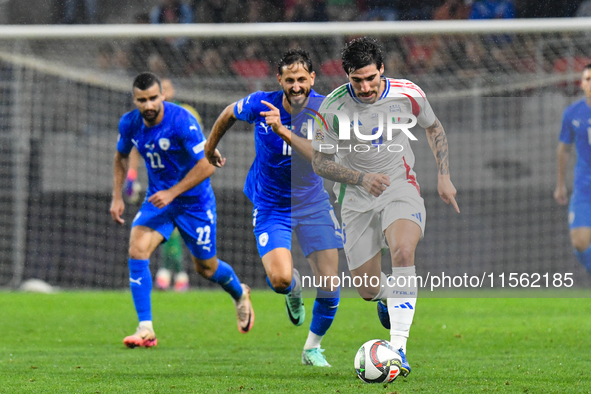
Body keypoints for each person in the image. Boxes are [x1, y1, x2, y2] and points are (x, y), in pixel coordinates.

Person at [311, 37, 460, 377]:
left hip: (400, 187)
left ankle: (399, 349)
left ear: (382, 70)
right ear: (347, 75)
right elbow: (320, 162)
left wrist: (444, 175)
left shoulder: (408, 93)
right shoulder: (331, 108)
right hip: (355, 199)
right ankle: (387, 298)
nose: (364, 87)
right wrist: (360, 178)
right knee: (366, 289)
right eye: (356, 80)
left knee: (403, 252)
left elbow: (433, 128)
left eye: (370, 78)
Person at [204, 49, 343, 367]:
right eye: (290, 79)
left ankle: (312, 348)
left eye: (302, 79)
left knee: (329, 282)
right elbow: (228, 114)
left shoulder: (325, 109)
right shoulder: (259, 103)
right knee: (280, 280)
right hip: (271, 205)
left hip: (312, 203)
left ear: (313, 79)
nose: (296, 86)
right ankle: (293, 290)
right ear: (280, 79)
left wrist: (283, 130)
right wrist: (210, 148)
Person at [110, 72, 254, 348]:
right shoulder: (129, 123)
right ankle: (145, 328)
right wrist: (117, 196)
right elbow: (121, 156)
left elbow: (208, 165)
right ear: (135, 100)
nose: (149, 105)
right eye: (142, 100)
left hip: (194, 203)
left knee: (206, 268)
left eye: (154, 98)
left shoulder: (182, 120)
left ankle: (239, 293)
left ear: (163, 95)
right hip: (159, 200)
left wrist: (173, 192)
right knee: (137, 248)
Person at [124, 78, 203, 292]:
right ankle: (174, 274)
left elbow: (197, 147)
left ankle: (171, 272)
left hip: (185, 183)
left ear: (166, 93)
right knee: (164, 230)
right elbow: (135, 148)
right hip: (161, 183)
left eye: (165, 90)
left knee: (180, 233)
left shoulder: (185, 114)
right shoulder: (145, 120)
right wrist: (131, 175)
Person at [555, 64, 591, 275]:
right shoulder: (572, 113)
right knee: (579, 241)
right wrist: (560, 184)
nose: (590, 83)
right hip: (584, 187)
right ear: (581, 83)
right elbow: (563, 149)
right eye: (587, 78)